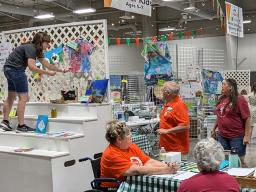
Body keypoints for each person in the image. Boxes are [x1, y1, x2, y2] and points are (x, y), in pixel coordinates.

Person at [0, 32, 69, 132]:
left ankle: (5, 122)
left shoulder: (35, 49)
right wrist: (47, 73)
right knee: (23, 98)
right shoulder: (31, 49)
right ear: (41, 42)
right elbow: (32, 67)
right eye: (47, 42)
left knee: (11, 96)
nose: (49, 45)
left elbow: (47, 63)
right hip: (17, 70)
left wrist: (62, 70)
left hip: (8, 69)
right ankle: (21, 125)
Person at [100, 120, 178, 186]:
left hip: (133, 182)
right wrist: (166, 170)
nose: (131, 135)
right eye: (128, 134)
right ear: (119, 139)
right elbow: (136, 170)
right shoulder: (111, 154)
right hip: (115, 188)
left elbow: (148, 161)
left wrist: (168, 166)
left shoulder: (131, 146)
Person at [211, 78, 251, 167]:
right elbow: (220, 116)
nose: (221, 86)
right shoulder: (221, 99)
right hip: (222, 135)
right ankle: (228, 178)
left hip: (236, 136)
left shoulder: (239, 99)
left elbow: (247, 118)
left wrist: (247, 136)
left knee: (240, 161)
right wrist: (214, 129)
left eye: (224, 84)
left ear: (230, 87)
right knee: (225, 160)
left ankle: (244, 179)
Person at [156, 81, 190, 158]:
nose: (161, 93)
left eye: (162, 90)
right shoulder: (168, 104)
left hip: (176, 150)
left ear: (167, 93)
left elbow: (185, 126)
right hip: (166, 148)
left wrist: (167, 131)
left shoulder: (179, 105)